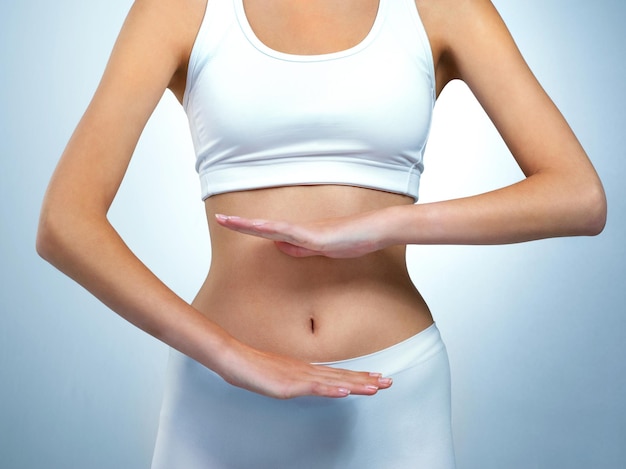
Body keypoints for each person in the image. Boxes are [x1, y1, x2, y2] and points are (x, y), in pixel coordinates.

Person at [36, 0, 606, 467]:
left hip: (391, 393)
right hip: (218, 399)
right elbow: (65, 220)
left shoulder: (441, 10)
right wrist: (228, 355)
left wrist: (381, 225)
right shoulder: (182, 10)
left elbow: (578, 197)